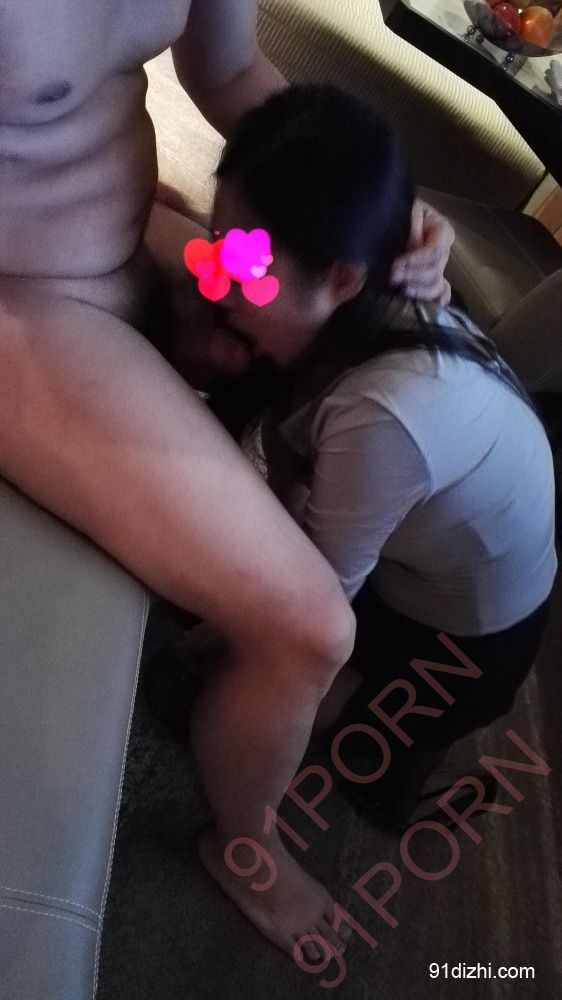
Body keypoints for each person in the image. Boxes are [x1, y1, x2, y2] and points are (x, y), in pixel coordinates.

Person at [0, 0, 456, 968]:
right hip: (30, 308)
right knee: (311, 627)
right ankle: (247, 847)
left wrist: (381, 217)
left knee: (375, 322)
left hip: (138, 237)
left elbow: (230, 69)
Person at [164, 83, 556, 857]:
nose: (218, 281)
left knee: (296, 724)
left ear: (342, 280)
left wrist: (224, 635)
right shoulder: (370, 311)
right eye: (220, 244)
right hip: (423, 562)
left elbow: (312, 603)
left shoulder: (386, 417)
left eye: (247, 267)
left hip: (464, 647)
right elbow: (291, 466)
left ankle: (401, 777)